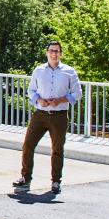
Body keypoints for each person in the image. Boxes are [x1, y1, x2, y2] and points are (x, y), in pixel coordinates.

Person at [13, 40, 81, 194]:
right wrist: (38, 100)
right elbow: (31, 90)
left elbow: (77, 93)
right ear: (47, 53)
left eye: (57, 51)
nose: (54, 53)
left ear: (61, 53)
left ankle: (56, 181)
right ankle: (25, 178)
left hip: (59, 115)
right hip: (40, 114)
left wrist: (61, 100)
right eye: (51, 50)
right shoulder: (39, 70)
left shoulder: (69, 71)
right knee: (28, 145)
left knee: (57, 149)